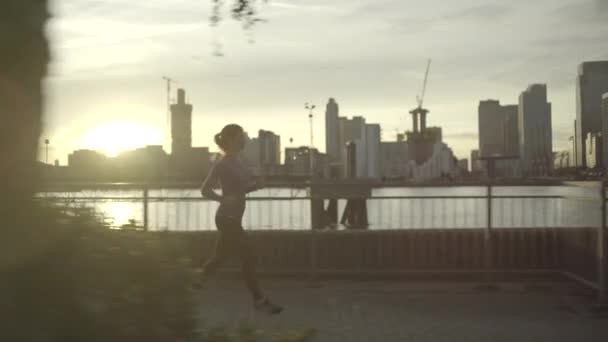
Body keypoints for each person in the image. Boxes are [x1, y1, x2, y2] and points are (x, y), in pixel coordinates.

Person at [196, 124, 283, 315]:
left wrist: (256, 186)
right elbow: (205, 190)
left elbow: (239, 190)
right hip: (226, 218)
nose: (244, 139)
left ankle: (193, 282)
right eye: (241, 136)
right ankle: (259, 300)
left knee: (219, 258)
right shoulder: (223, 163)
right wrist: (222, 198)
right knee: (248, 256)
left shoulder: (239, 161)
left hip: (234, 217)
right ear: (231, 139)